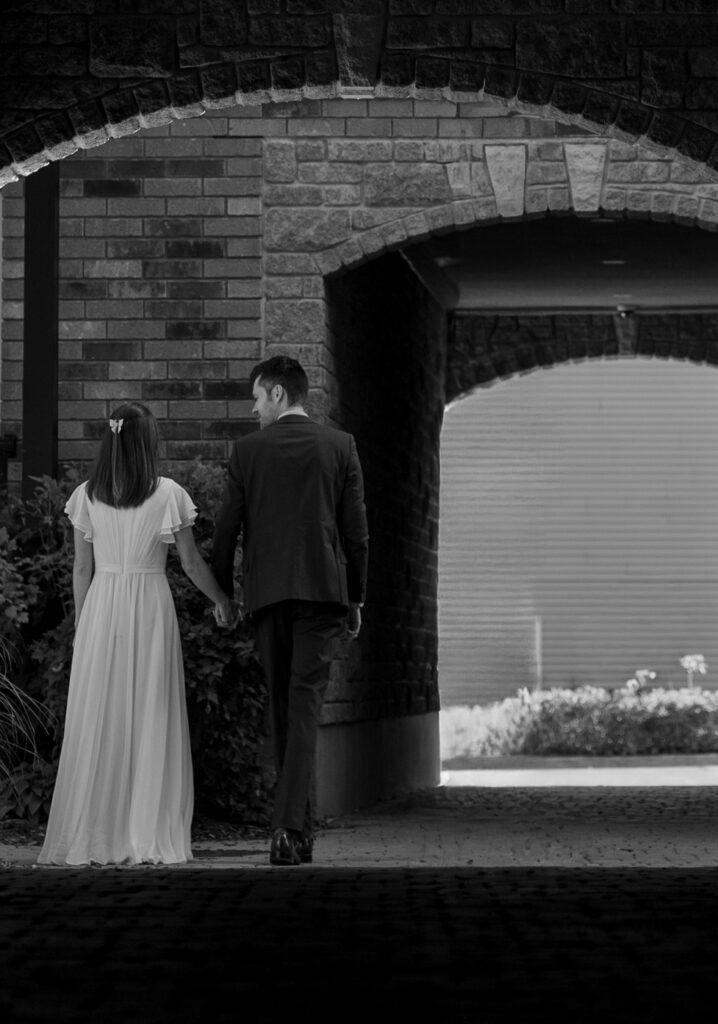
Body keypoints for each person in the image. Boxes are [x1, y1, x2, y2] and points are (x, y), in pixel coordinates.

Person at [38, 402, 233, 866]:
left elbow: (81, 567)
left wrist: (84, 626)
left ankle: (97, 830)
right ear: (148, 443)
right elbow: (188, 562)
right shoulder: (166, 494)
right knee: (151, 709)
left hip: (103, 605)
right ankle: (145, 830)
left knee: (102, 715)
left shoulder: (87, 494)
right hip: (148, 604)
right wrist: (222, 599)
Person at [212, 356, 369, 866]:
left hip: (267, 593)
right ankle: (290, 831)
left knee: (284, 709)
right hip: (324, 593)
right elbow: (357, 534)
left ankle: (288, 829)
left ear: (279, 394)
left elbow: (225, 530)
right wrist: (357, 597)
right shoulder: (340, 446)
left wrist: (223, 595)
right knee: (301, 709)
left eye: (257, 397)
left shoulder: (247, 452)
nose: (253, 409)